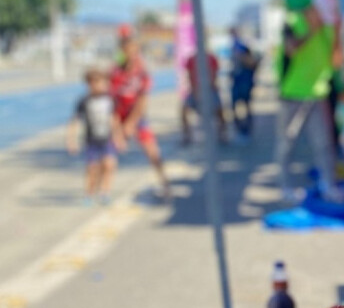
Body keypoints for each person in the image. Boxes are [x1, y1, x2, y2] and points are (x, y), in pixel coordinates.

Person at [275, 0, 344, 204]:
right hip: (293, 94)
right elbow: (291, 49)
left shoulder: (327, 30)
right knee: (287, 144)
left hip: (318, 94)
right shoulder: (292, 22)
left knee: (324, 144)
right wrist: (312, 31)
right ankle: (285, 188)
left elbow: (335, 62)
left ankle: (329, 186)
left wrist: (337, 31)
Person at [111, 35, 171, 199]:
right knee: (105, 155)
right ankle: (99, 192)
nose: (131, 54)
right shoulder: (115, 72)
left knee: (153, 152)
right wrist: (117, 129)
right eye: (127, 51)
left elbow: (142, 101)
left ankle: (165, 184)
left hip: (137, 117)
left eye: (134, 51)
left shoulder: (141, 73)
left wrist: (130, 124)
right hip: (118, 118)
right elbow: (112, 103)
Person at [67, 68, 126, 205]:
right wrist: (71, 140)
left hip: (107, 139)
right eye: (96, 83)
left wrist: (119, 138)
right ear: (89, 84)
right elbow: (75, 122)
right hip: (91, 141)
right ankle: (89, 193)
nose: (100, 86)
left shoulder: (110, 100)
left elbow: (114, 120)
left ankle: (105, 192)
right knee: (92, 169)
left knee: (109, 165)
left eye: (102, 83)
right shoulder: (84, 101)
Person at [181, 45, 228, 146]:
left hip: (210, 90)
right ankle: (187, 135)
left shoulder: (211, 58)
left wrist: (207, 91)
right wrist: (195, 91)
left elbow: (214, 75)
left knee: (219, 111)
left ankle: (222, 133)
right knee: (183, 110)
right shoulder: (191, 59)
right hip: (195, 90)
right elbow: (190, 76)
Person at [228, 26, 260, 141]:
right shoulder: (236, 46)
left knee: (244, 106)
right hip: (238, 81)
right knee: (236, 107)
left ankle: (246, 131)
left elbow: (251, 62)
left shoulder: (240, 47)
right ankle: (242, 130)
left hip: (243, 82)